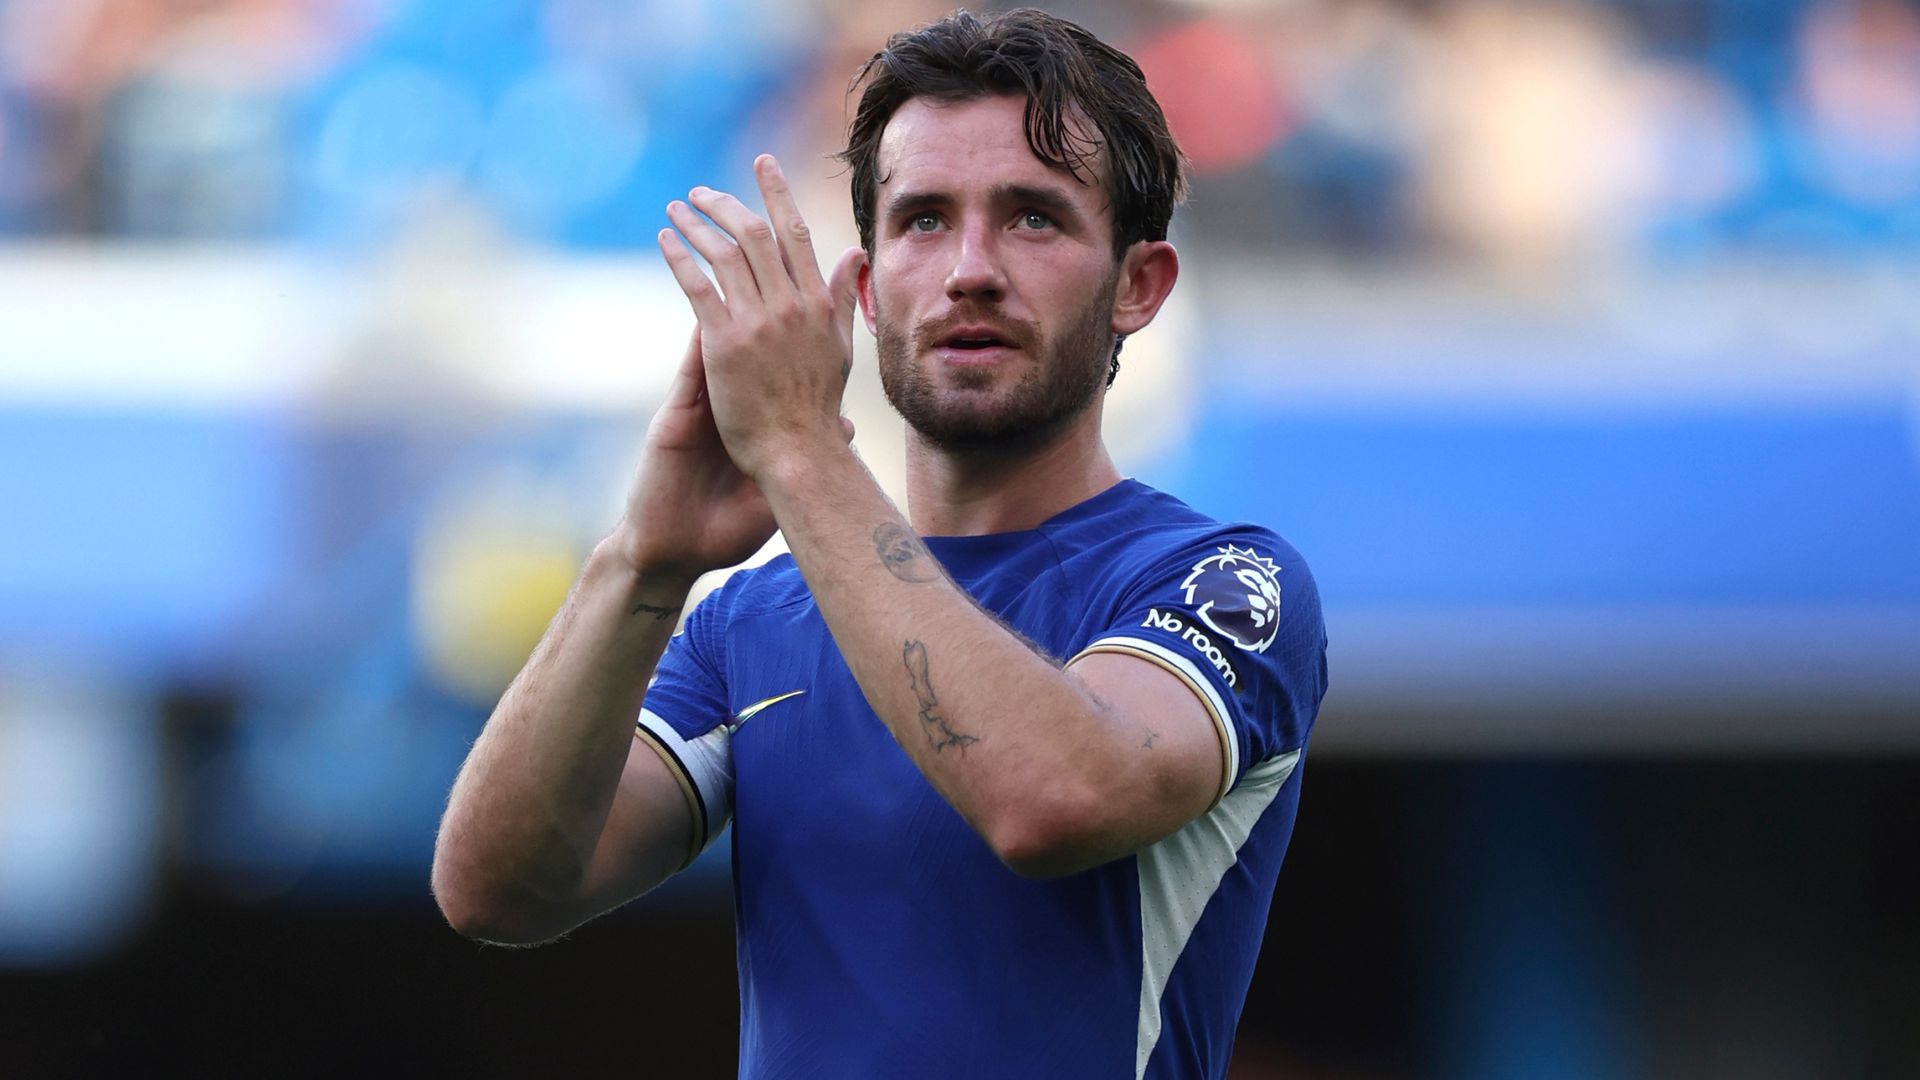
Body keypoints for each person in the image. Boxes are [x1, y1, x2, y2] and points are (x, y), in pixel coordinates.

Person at [432, 9, 1327, 1078]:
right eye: (923, 221)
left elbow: (1049, 799)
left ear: (1138, 285)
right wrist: (642, 561)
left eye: (1033, 218)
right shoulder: (748, 623)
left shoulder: (1223, 580)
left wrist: (800, 452)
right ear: (865, 290)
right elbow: (497, 892)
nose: (971, 269)